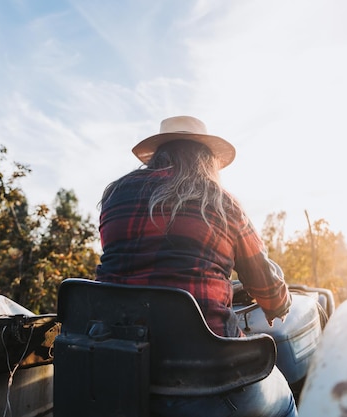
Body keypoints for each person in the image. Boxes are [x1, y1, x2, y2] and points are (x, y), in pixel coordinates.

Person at [96, 115, 296, 417]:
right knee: (285, 399)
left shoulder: (115, 196)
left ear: (160, 153)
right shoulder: (222, 202)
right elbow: (265, 285)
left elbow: (127, 265)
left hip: (119, 361)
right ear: (206, 159)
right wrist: (278, 304)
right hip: (204, 375)